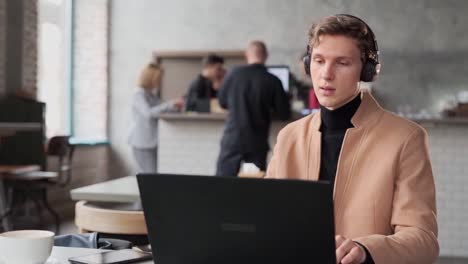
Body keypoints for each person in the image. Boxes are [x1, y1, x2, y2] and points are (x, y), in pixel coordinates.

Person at [266, 14, 438, 264]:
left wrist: (365, 250)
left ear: (366, 71)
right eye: (319, 60)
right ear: (307, 64)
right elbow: (266, 218)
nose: (326, 74)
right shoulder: (289, 136)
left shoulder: (406, 138)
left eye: (342, 63)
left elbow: (423, 241)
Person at [216, 40, 290, 177]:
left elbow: (222, 102)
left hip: (232, 139)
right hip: (257, 141)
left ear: (246, 55)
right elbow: (284, 113)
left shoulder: (233, 74)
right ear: (266, 56)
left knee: (222, 182)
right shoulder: (273, 80)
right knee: (255, 186)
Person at [128, 60, 184, 173]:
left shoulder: (151, 94)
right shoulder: (139, 94)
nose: (159, 81)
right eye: (158, 78)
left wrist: (175, 107)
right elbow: (148, 113)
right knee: (150, 174)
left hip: (151, 141)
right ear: (150, 78)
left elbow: (160, 109)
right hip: (142, 142)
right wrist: (170, 104)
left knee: (152, 174)